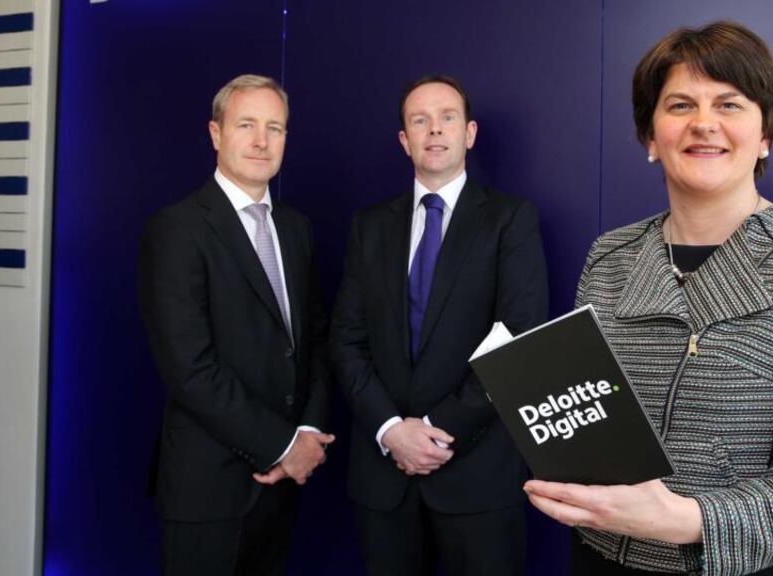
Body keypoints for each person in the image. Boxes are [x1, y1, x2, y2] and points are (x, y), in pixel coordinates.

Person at [524, 21, 773, 576]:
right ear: (651, 136)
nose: (703, 123)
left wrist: (682, 518)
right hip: (602, 558)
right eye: (679, 106)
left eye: (729, 104)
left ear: (765, 133)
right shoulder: (610, 256)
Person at [330, 75, 549, 576]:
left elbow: (517, 337)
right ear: (404, 140)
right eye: (420, 121)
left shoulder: (510, 219)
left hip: (478, 474)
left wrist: (435, 431)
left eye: (447, 118)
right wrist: (391, 430)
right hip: (384, 478)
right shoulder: (370, 227)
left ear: (469, 133)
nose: (435, 131)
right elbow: (346, 340)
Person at [138, 74, 333, 576]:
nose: (262, 140)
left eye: (276, 127)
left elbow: (312, 339)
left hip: (283, 487)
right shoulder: (177, 229)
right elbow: (189, 368)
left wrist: (307, 431)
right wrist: (286, 447)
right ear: (215, 133)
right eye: (246, 124)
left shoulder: (295, 228)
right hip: (209, 490)